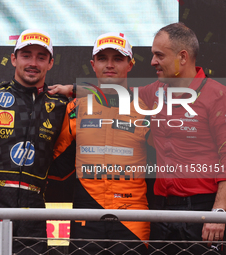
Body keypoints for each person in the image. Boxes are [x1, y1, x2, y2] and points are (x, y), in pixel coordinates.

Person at [48, 32, 152, 254]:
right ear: (93, 64)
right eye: (103, 58)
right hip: (87, 213)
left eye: (118, 59)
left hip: (133, 216)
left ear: (130, 64)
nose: (110, 65)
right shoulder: (75, 108)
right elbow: (54, 163)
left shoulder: (146, 108)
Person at [0, 29, 68, 254]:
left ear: (51, 63)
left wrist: (75, 89)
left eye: (41, 57)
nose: (33, 63)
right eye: (26, 55)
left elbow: (112, 94)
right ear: (14, 58)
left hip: (34, 206)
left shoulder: (61, 105)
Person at [136, 22, 226, 254]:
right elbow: (116, 92)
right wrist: (72, 90)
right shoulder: (154, 91)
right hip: (161, 209)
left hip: (204, 209)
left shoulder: (217, 94)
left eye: (159, 55)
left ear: (182, 57)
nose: (153, 62)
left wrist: (220, 211)